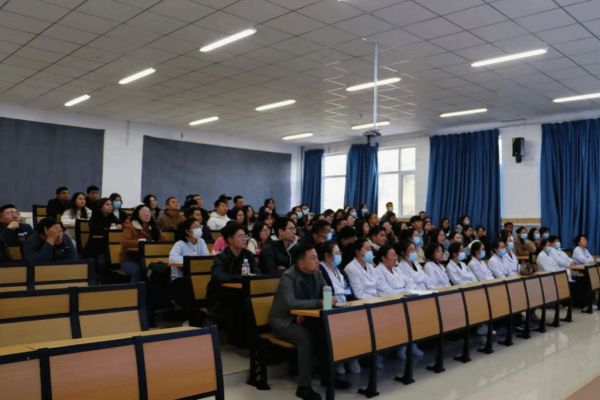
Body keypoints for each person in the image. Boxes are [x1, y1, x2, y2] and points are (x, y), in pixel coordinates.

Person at [270, 243, 337, 400]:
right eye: (313, 258)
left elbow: (327, 293)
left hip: (308, 318)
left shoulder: (317, 273)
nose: (317, 261)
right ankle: (304, 386)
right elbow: (291, 303)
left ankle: (328, 377)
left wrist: (328, 300)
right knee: (305, 337)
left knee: (327, 332)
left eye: (317, 257)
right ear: (301, 263)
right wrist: (319, 303)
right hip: (284, 322)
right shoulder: (288, 277)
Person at [207, 223, 260, 346]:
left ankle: (253, 339)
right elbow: (218, 276)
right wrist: (242, 278)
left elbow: (257, 273)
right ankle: (242, 340)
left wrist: (248, 278)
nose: (244, 239)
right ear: (230, 239)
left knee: (252, 302)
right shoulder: (221, 257)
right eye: (240, 236)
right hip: (222, 297)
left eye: (245, 236)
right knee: (243, 304)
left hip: (242, 293)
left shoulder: (248, 255)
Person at [168, 218, 209, 326]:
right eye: (195, 227)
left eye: (199, 226)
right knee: (189, 284)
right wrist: (191, 262)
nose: (199, 229)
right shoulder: (180, 244)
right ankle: (193, 320)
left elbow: (206, 260)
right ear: (187, 231)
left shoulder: (201, 242)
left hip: (197, 279)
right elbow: (172, 259)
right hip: (179, 280)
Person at [119, 204, 164, 283]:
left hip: (150, 258)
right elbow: (125, 242)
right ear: (137, 214)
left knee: (159, 269)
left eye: (148, 212)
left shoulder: (154, 226)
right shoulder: (130, 226)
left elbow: (163, 241)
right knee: (138, 269)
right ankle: (135, 290)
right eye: (144, 212)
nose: (147, 214)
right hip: (130, 259)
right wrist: (140, 243)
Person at [83, 198, 122, 282]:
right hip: (96, 248)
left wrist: (119, 225)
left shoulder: (111, 216)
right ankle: (100, 281)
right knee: (102, 262)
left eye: (111, 204)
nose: (111, 206)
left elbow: (119, 224)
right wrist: (109, 229)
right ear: (100, 207)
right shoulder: (95, 217)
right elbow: (97, 231)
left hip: (108, 247)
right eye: (107, 204)